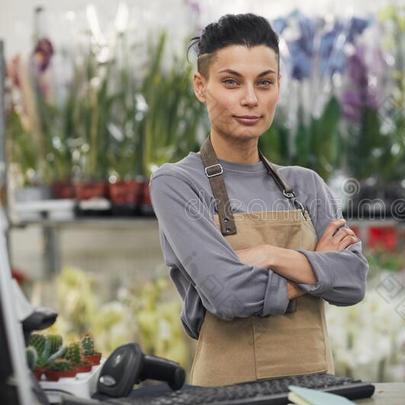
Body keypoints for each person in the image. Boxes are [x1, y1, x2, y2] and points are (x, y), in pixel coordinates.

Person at [150, 13, 369, 387]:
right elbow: (228, 296)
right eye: (231, 82)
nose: (250, 99)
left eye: (264, 83)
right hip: (224, 393)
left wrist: (271, 256)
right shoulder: (177, 183)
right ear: (201, 87)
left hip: (314, 390)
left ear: (279, 86)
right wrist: (317, 269)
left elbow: (353, 281)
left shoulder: (307, 185)